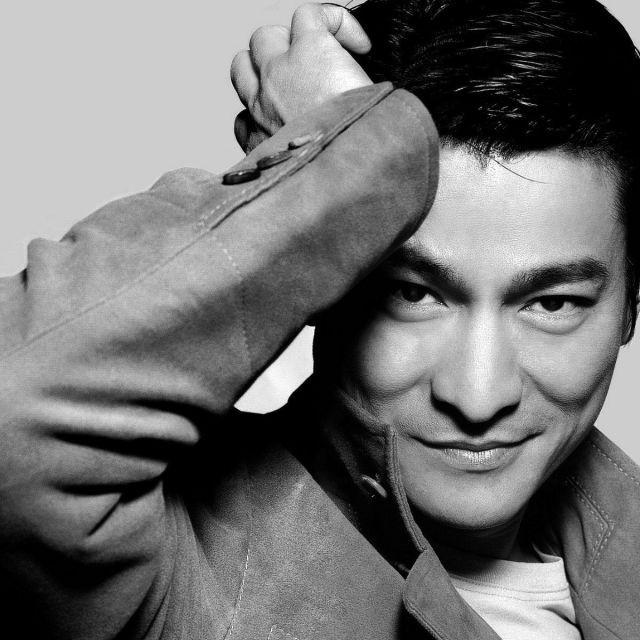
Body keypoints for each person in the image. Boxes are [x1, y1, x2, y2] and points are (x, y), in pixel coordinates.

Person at [0, 2, 638, 640]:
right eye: (411, 294)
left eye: (552, 304)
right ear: (323, 277)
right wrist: (337, 155)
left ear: (631, 304)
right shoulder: (183, 569)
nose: (478, 396)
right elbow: (15, 407)